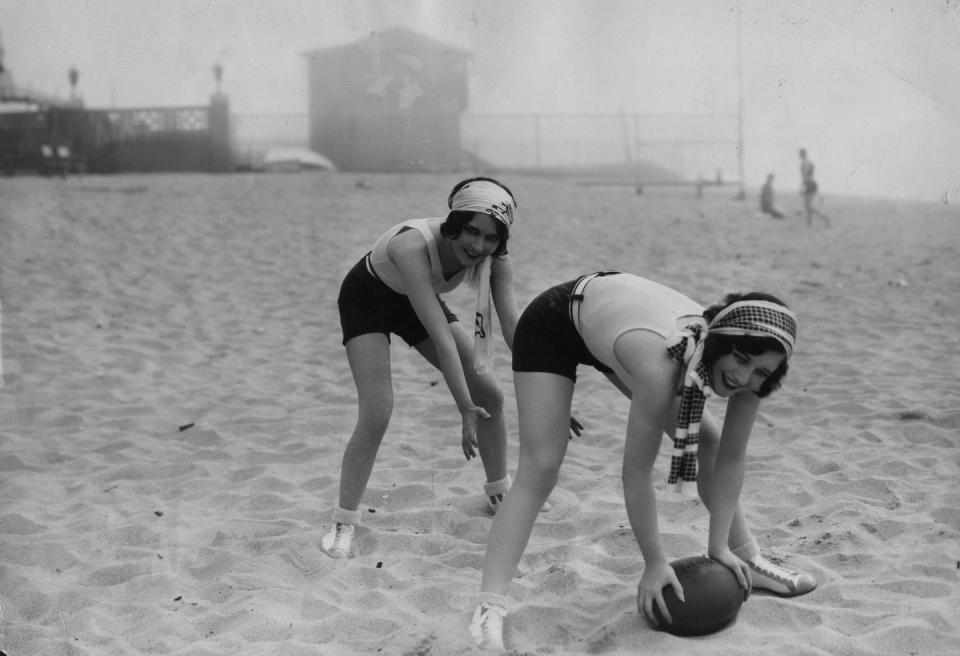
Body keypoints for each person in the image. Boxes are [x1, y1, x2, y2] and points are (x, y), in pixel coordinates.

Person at [469, 272, 817, 651]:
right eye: (742, 359)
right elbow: (636, 473)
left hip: (616, 326)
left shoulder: (755, 374)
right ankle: (489, 604)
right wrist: (654, 563)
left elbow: (731, 459)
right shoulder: (660, 366)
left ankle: (746, 557)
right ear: (724, 340)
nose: (744, 376)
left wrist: (718, 547)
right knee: (541, 468)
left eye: (762, 372)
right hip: (556, 322)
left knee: (711, 442)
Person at [322, 177, 522, 559]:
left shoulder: (494, 259)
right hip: (368, 299)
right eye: (471, 232)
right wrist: (463, 406)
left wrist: (552, 385)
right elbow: (442, 339)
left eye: (491, 238)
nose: (479, 246)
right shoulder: (412, 246)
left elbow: (512, 326)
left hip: (418, 299)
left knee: (491, 394)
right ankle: (343, 519)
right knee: (378, 410)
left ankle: (499, 491)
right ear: (453, 224)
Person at [799, 148, 830, 227]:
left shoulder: (804, 163)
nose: (799, 155)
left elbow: (805, 176)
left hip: (809, 184)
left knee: (808, 206)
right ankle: (809, 224)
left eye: (800, 154)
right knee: (808, 206)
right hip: (811, 184)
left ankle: (824, 218)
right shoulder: (808, 162)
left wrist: (802, 187)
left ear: (802, 154)